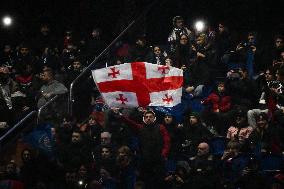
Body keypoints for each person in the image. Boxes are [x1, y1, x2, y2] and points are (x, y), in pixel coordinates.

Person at [114, 109, 170, 189]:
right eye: (146, 117)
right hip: (145, 161)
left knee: (158, 183)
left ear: (154, 118)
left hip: (158, 161)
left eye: (150, 117)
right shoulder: (141, 128)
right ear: (144, 118)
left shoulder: (161, 127)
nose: (148, 118)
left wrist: (163, 154)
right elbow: (130, 123)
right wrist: (121, 116)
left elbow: (167, 142)